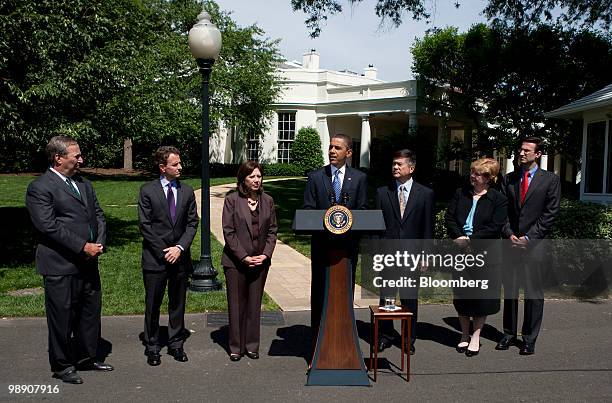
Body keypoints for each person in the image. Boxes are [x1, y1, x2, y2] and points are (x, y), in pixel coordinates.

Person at [26, 136, 113, 384]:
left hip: (88, 262)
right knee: (62, 317)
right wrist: (82, 246)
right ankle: (62, 365)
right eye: (76, 156)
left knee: (89, 312)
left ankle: (87, 358)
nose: (81, 160)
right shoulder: (40, 187)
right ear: (58, 158)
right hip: (60, 264)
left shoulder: (83, 184)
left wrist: (99, 244)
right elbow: (48, 226)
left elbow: (98, 215)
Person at [303, 133, 368, 348]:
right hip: (323, 248)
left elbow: (363, 211)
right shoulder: (315, 177)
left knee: (343, 294)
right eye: (330, 147)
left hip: (347, 250)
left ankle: (343, 340)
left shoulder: (359, 179)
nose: (332, 151)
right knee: (320, 293)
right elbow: (307, 210)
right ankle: (316, 344)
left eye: (338, 148)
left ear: (348, 153)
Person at [497, 137, 560, 355]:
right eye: (520, 149)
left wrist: (529, 237)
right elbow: (502, 211)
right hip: (511, 243)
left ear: (538, 154)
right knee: (511, 291)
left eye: (526, 150)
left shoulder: (550, 180)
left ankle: (529, 339)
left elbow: (549, 214)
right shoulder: (509, 179)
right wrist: (509, 233)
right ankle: (508, 334)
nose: (521, 153)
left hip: (534, 246)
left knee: (533, 294)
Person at [138, 146, 198, 366]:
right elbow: (145, 226)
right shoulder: (147, 191)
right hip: (155, 259)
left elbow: (192, 223)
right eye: (175, 164)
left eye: (180, 163)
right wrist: (165, 251)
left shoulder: (187, 191)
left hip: (180, 259)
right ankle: (152, 346)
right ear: (163, 167)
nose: (180, 167)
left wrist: (179, 248)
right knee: (153, 304)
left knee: (177, 304)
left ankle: (175, 344)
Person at [445, 158, 508, 357]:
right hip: (460, 252)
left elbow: (495, 227)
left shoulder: (498, 199)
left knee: (481, 298)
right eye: (472, 172)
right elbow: (450, 217)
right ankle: (464, 335)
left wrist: (471, 240)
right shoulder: (460, 193)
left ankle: (476, 337)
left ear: (489, 178)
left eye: (478, 174)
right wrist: (460, 237)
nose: (473, 176)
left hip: (485, 254)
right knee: (463, 295)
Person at [375, 149, 435, 355]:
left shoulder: (425, 194)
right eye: (394, 164)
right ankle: (385, 334)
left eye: (400, 164)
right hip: (388, 254)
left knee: (410, 298)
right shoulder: (383, 192)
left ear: (412, 167)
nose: (395, 167)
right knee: (387, 297)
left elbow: (428, 227)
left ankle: (408, 337)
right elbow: (376, 225)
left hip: (413, 255)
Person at [222, 161, 277, 361]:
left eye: (259, 176)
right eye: (251, 176)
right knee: (237, 305)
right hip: (236, 262)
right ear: (243, 179)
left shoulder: (268, 200)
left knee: (254, 304)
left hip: (260, 261)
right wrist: (244, 257)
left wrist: (266, 254)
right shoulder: (232, 200)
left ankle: (252, 345)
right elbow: (228, 232)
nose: (256, 180)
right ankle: (236, 347)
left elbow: (272, 230)